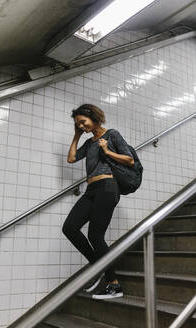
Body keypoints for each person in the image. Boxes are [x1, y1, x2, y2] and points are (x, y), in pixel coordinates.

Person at [62, 104, 134, 299]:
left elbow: (129, 160)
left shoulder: (112, 135)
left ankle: (114, 285)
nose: (82, 126)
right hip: (91, 189)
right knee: (69, 227)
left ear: (94, 117)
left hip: (108, 188)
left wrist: (107, 151)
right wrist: (77, 136)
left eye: (83, 122)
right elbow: (71, 158)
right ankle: (98, 266)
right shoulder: (89, 142)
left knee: (95, 236)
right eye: (78, 124)